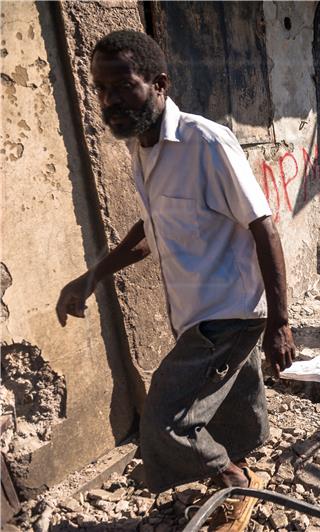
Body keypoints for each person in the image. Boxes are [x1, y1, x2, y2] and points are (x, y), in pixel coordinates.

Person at [55, 30, 295, 528]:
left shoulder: (204, 142)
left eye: (123, 85)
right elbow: (152, 229)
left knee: (165, 419)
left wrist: (280, 321)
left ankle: (233, 482)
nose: (110, 100)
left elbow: (263, 226)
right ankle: (244, 468)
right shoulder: (144, 148)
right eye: (100, 89)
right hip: (194, 313)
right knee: (228, 400)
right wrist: (93, 275)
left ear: (159, 84)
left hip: (226, 312)